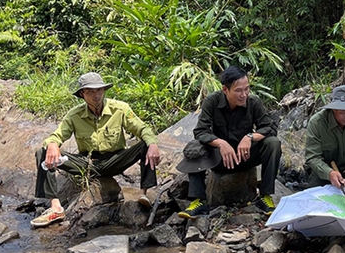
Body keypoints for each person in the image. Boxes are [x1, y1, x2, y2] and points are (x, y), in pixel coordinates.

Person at [32, 72, 161, 228]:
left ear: (104, 90)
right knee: (43, 152)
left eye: (99, 90)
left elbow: (142, 128)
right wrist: (52, 144)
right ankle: (56, 208)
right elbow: (58, 135)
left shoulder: (119, 109)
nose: (96, 95)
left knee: (146, 144)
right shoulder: (74, 115)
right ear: (82, 94)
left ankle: (143, 194)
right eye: (90, 92)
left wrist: (153, 144)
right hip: (87, 163)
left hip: (116, 160)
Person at [176, 66, 281, 219]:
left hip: (245, 157)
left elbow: (268, 128)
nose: (244, 94)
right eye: (238, 90)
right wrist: (220, 143)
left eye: (247, 89)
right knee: (195, 147)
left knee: (273, 143)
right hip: (220, 159)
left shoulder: (253, 102)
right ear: (225, 89)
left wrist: (250, 137)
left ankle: (265, 197)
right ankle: (199, 200)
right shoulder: (212, 101)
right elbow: (200, 131)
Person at [304, 85, 345, 189]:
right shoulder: (317, 123)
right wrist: (329, 173)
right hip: (323, 170)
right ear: (334, 109)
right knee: (314, 194)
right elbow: (313, 157)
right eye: (344, 112)